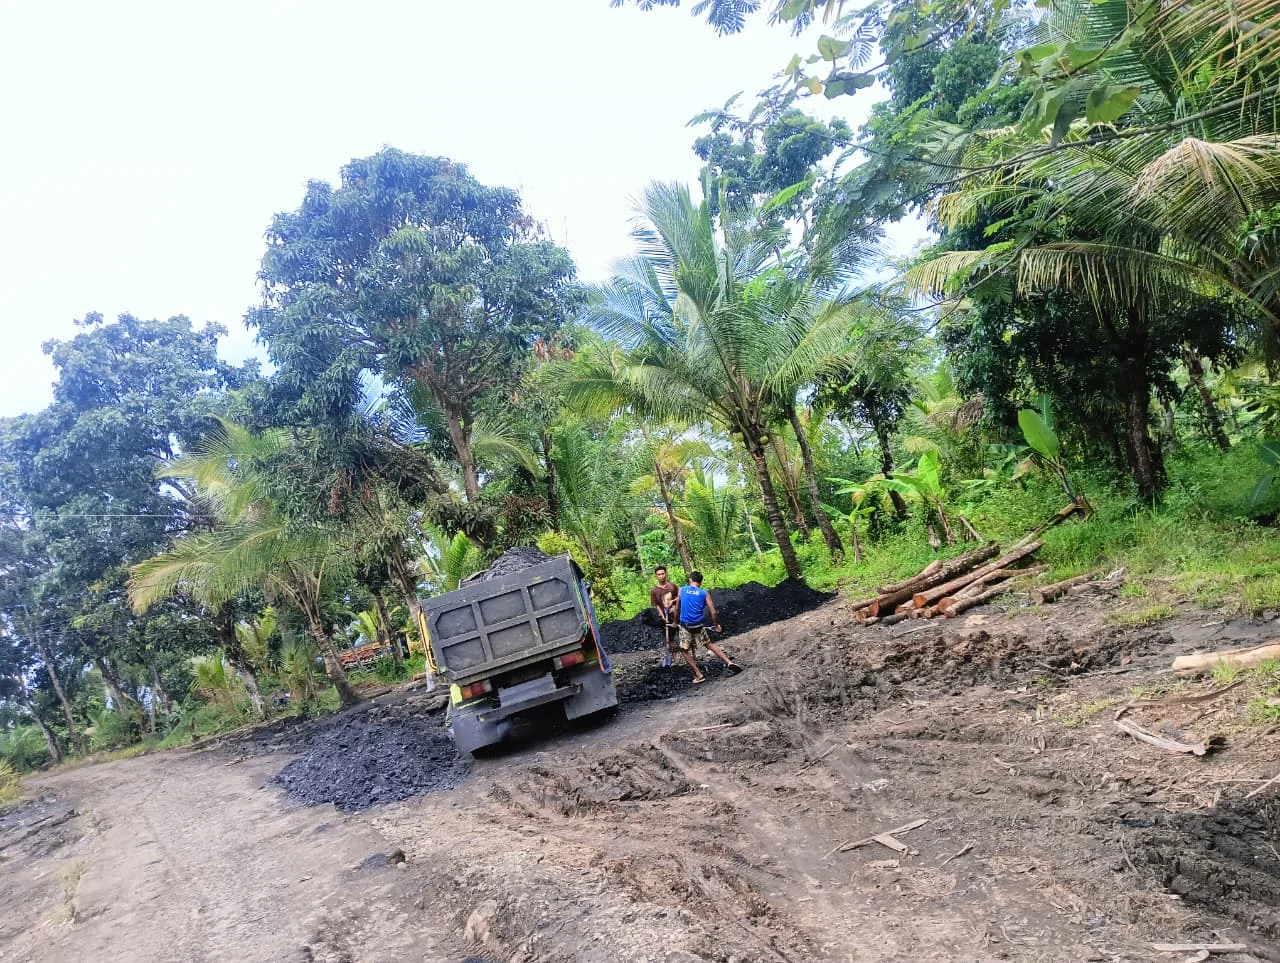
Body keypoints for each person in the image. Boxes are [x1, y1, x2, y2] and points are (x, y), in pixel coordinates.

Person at [672, 571, 740, 684]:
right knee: (708, 644)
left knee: (684, 650)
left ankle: (698, 675)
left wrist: (674, 622)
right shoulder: (704, 593)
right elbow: (713, 612)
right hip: (698, 625)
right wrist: (716, 625)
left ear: (690, 580)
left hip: (686, 626)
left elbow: (677, 609)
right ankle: (729, 662)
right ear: (701, 582)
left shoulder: (682, 590)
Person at [649, 565, 678, 667]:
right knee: (670, 639)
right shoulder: (654, 591)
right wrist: (662, 616)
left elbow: (679, 597)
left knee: (684, 635)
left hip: (677, 615)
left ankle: (691, 655)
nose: (661, 576)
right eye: (659, 574)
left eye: (662, 573)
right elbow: (657, 605)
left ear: (666, 574)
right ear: (656, 576)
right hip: (666, 618)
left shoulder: (672, 586)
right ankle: (675, 659)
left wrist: (672, 602)